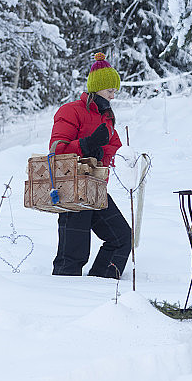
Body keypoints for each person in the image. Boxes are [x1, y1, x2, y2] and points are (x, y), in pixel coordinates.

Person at [49, 53, 131, 278]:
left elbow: (115, 151)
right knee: (73, 256)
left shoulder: (107, 118)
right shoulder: (70, 111)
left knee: (122, 238)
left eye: (115, 91)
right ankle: (62, 299)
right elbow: (57, 151)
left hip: (95, 187)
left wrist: (103, 153)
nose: (113, 97)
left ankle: (100, 289)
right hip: (71, 188)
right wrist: (86, 145)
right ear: (97, 89)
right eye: (110, 91)